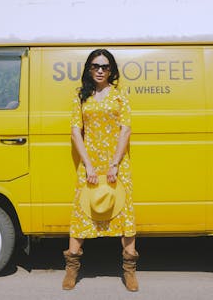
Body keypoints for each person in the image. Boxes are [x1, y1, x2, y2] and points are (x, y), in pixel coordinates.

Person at [63, 49, 139, 292]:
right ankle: (71, 269)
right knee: (82, 211)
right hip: (90, 162)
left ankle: (129, 271)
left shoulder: (120, 97)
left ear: (111, 70)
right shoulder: (80, 97)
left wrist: (115, 164)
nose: (99, 70)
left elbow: (125, 130)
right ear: (88, 68)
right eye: (95, 66)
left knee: (124, 214)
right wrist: (88, 165)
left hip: (117, 163)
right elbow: (76, 132)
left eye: (105, 67)